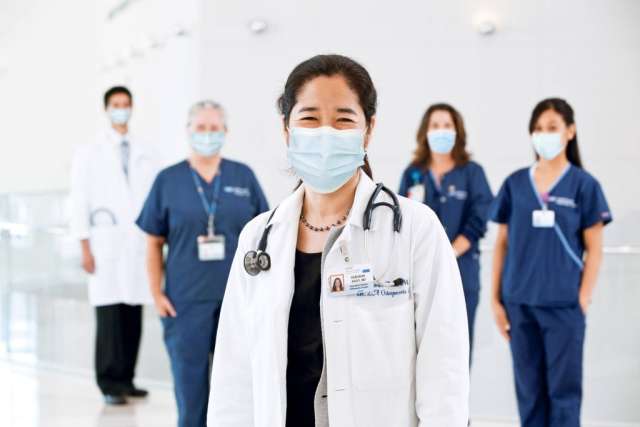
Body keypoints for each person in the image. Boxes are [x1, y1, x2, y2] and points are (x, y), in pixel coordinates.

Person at [208, 54, 469, 427]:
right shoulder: (259, 237)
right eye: (310, 118)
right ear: (287, 130)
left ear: (368, 129)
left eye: (343, 119)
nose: (325, 134)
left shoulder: (415, 229)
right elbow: (234, 374)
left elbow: (444, 367)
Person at [136, 100, 268, 427]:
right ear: (188, 131)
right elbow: (153, 241)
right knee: (190, 391)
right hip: (184, 301)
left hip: (238, 299)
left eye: (214, 128)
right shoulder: (168, 180)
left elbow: (264, 236)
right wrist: (156, 293)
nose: (207, 134)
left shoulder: (243, 176)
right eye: (201, 128)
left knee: (237, 389)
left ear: (225, 132)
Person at [490, 98, 612, 427]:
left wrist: (583, 299)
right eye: (539, 129)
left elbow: (595, 249)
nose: (545, 135)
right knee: (529, 393)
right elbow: (501, 244)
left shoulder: (585, 186)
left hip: (564, 306)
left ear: (570, 132)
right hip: (520, 303)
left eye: (553, 128)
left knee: (563, 393)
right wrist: (496, 301)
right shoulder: (515, 184)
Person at [69, 86, 157, 405]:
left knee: (132, 311)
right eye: (116, 105)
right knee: (109, 315)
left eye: (126, 104)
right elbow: (78, 200)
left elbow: (153, 199)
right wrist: (85, 247)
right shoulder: (89, 152)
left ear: (132, 108)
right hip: (104, 245)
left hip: (136, 244)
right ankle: (108, 383)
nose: (121, 109)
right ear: (106, 109)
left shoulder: (145, 150)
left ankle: (127, 379)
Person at [399, 103, 493, 363]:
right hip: (419, 272)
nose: (441, 131)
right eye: (435, 126)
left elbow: (479, 219)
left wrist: (450, 253)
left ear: (457, 132)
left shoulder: (472, 173)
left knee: (458, 350)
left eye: (447, 126)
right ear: (425, 132)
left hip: (462, 271)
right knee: (420, 348)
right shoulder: (413, 173)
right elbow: (402, 218)